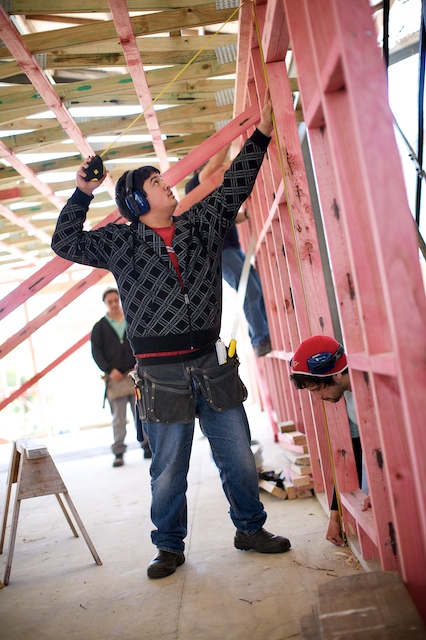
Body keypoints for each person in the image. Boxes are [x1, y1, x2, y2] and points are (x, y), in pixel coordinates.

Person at [52, 91, 291, 580]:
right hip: (159, 375)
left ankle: (250, 528)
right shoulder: (120, 242)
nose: (169, 186)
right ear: (138, 200)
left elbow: (237, 184)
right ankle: (168, 547)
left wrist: (262, 132)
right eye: (159, 183)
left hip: (210, 361)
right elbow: (65, 241)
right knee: (167, 471)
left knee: (239, 458)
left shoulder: (200, 224)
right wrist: (83, 190)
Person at [185, 146, 272, 357]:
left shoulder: (212, 197)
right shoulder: (193, 187)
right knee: (249, 289)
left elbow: (233, 219)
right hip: (220, 252)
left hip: (231, 248)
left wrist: (249, 214)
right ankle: (260, 340)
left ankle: (264, 334)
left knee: (255, 287)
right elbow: (214, 165)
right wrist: (227, 137)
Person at [289, 335, 370, 546]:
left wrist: (386, 489)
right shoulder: (348, 399)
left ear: (334, 376)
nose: (317, 399)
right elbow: (353, 454)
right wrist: (336, 515)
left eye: (316, 390)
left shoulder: (376, 390)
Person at [91, 287, 151, 467]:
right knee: (118, 418)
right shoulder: (99, 327)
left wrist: (139, 363)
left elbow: (142, 342)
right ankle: (119, 452)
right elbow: (96, 352)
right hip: (114, 378)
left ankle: (147, 446)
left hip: (134, 375)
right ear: (105, 304)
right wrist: (109, 370)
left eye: (116, 300)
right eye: (110, 302)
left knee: (141, 413)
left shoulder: (131, 320)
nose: (114, 304)